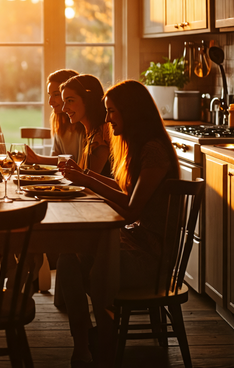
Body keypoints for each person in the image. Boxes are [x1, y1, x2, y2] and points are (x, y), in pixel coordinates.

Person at [58, 80, 179, 367]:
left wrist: (86, 180)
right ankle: (88, 339)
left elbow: (133, 209)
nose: (108, 118)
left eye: (112, 111)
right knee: (67, 258)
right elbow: (128, 191)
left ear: (130, 111)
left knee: (74, 260)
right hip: (135, 244)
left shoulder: (154, 151)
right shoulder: (139, 146)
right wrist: (85, 174)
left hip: (149, 260)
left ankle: (97, 339)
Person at [25, 69, 84, 165]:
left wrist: (37, 159)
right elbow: (55, 159)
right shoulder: (59, 120)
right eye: (50, 95)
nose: (50, 102)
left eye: (56, 94)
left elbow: (80, 165)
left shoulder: (83, 123)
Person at [60, 74, 110, 175]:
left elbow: (92, 180)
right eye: (64, 102)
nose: (64, 109)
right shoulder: (89, 131)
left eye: (70, 101)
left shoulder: (101, 135)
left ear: (88, 99)